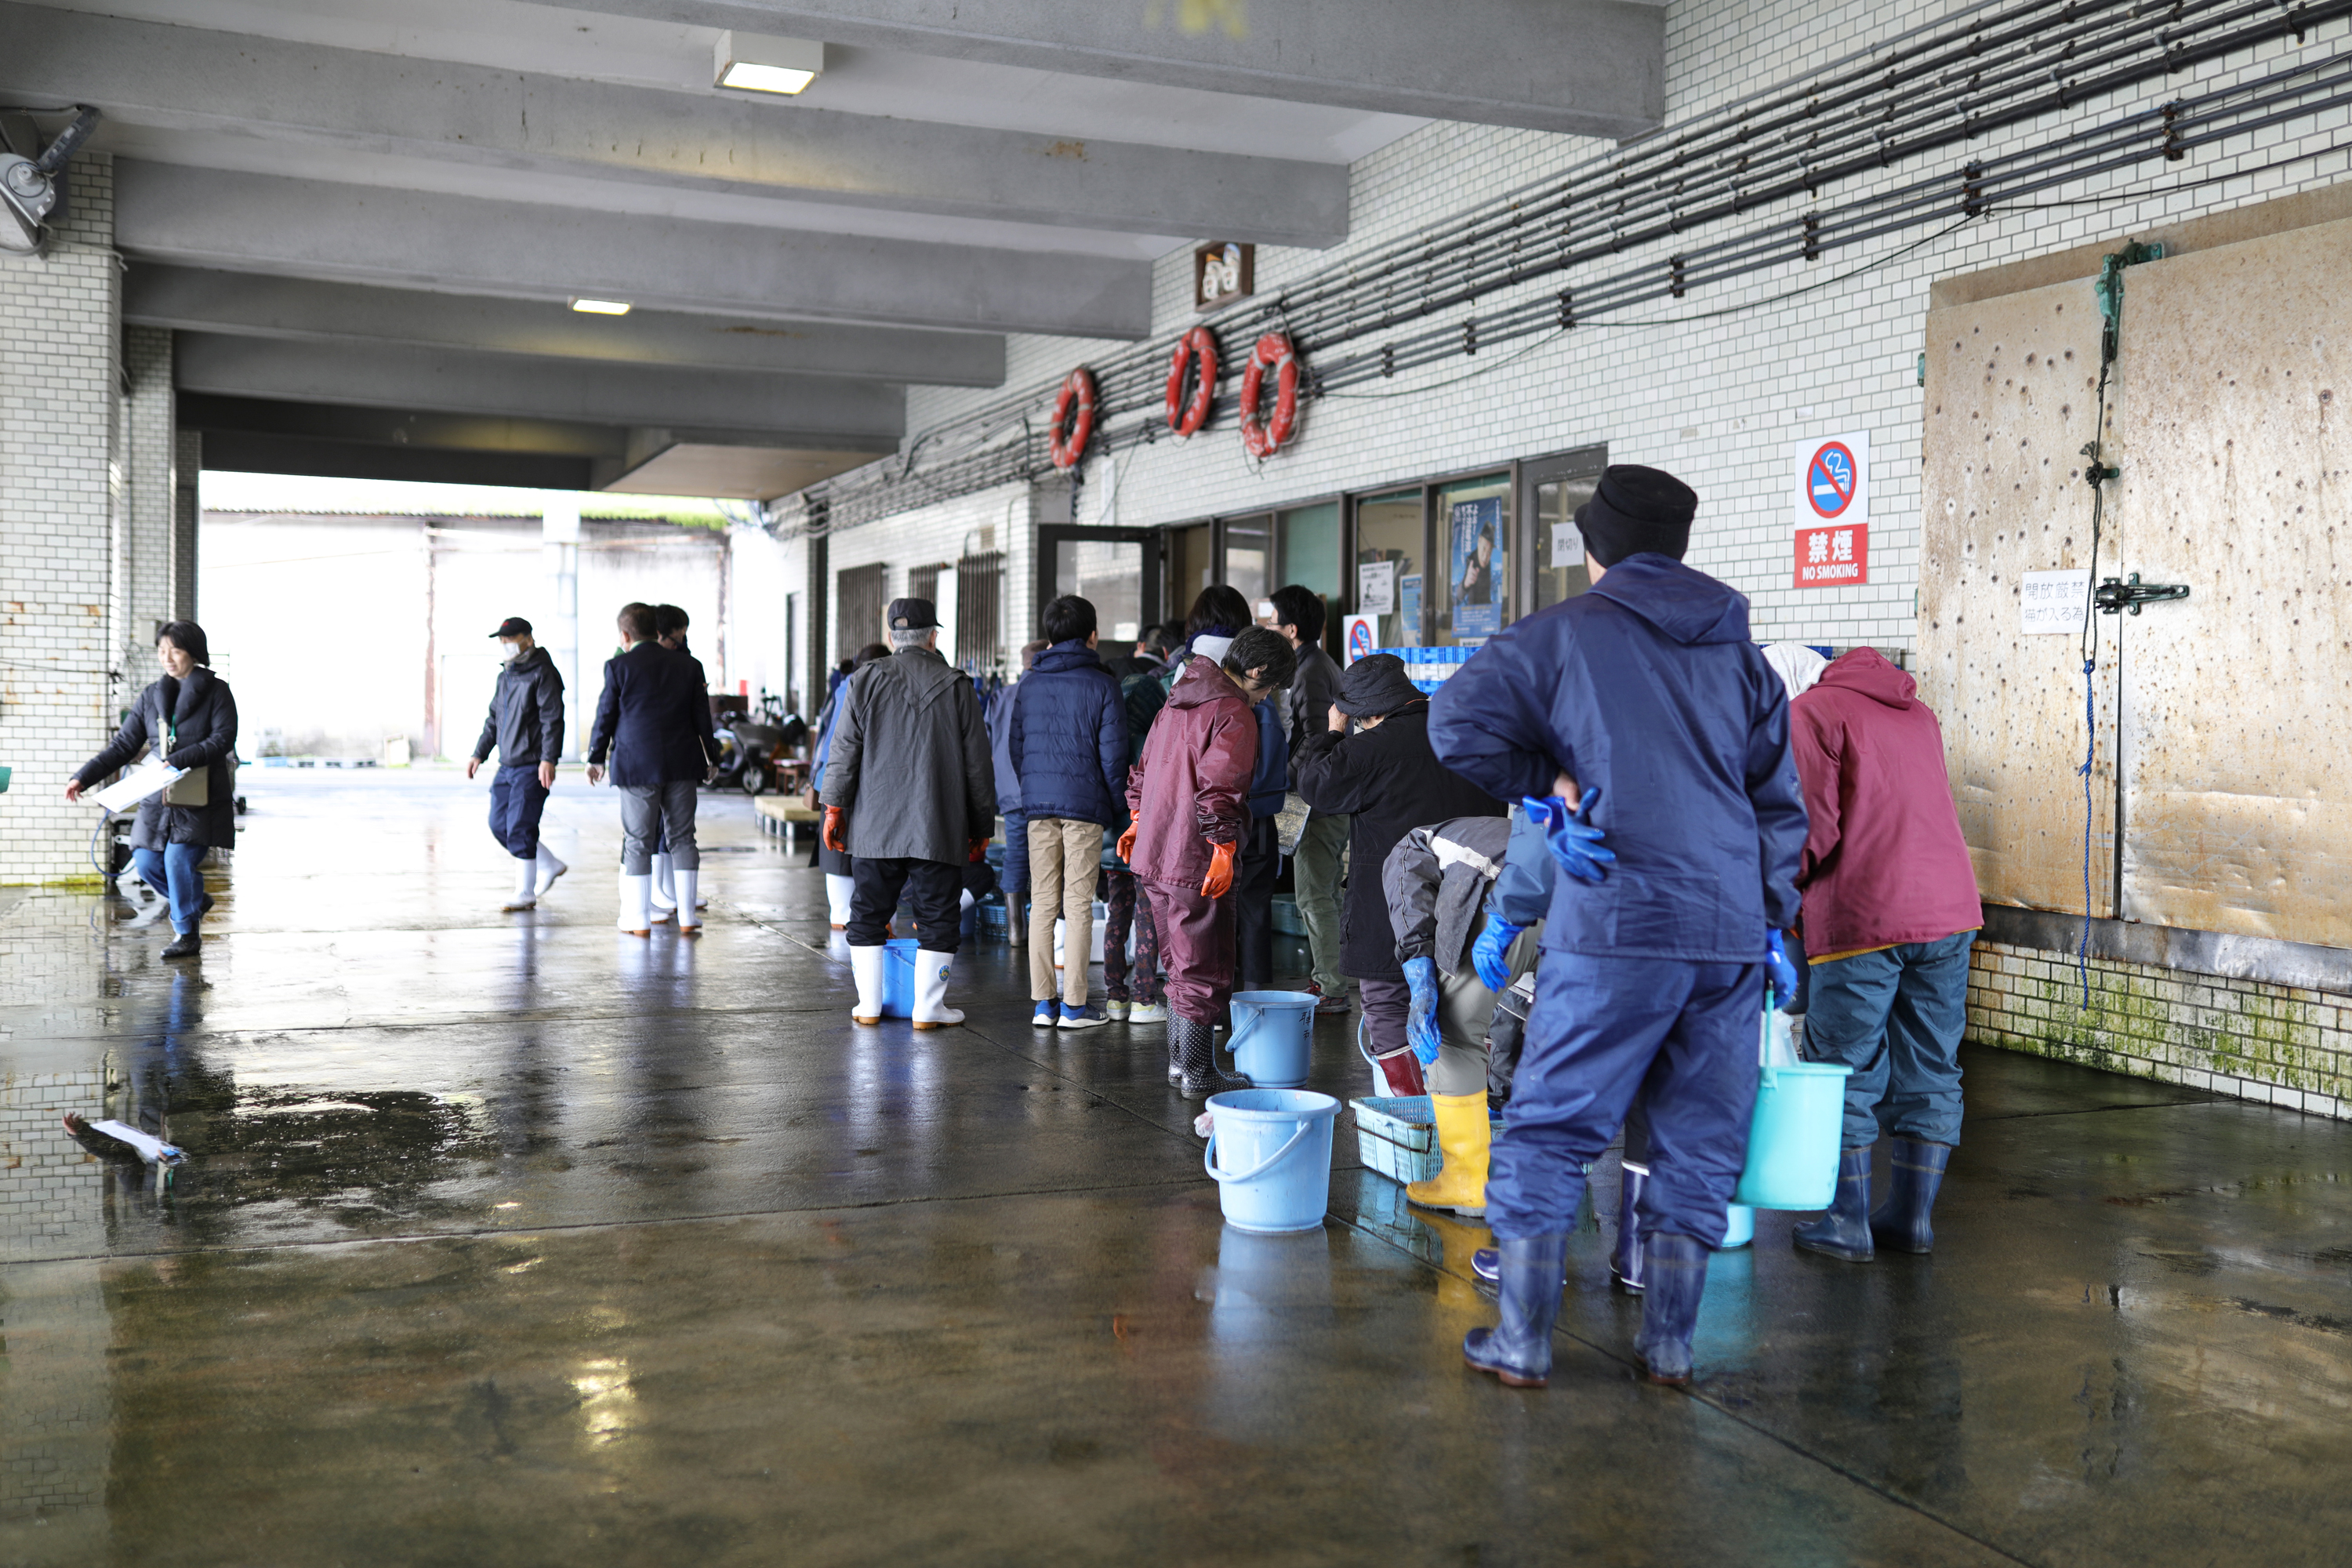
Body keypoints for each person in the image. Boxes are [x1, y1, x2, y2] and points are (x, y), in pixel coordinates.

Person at [1429, 463, 1807, 1388]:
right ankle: (1671, 1345)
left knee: (1553, 1128)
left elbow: (1455, 723)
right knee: (1697, 1137)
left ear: (1595, 549)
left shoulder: (1564, 633)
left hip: (1614, 924)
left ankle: (1522, 1339)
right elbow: (1776, 802)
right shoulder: (1738, 649)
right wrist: (1771, 920)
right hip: (1724, 933)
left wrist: (1547, 788)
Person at [1786, 646, 1982, 1262]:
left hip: (1864, 913)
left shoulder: (1811, 712)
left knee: (1842, 1064)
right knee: (1931, 1060)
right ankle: (1911, 1219)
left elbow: (1810, 830)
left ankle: (1846, 1223)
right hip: (1950, 910)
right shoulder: (1918, 712)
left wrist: (1780, 901)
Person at [1292, 654, 1502, 1098]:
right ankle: (1462, 1108)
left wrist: (1333, 730)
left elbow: (1316, 784)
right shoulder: (1467, 736)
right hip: (1472, 897)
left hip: (1395, 901)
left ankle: (1411, 1115)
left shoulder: (1371, 747)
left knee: (1388, 1002)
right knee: (1463, 1009)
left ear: (1363, 715)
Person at [1122, 625, 1295, 1096]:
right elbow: (1221, 789)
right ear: (1257, 671)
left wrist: (1137, 821)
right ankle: (1198, 1073)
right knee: (1202, 966)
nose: (1269, 696)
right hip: (1194, 858)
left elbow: (1143, 768)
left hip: (1153, 852)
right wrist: (1222, 848)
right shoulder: (1233, 711)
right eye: (1272, 685)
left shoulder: (1179, 698)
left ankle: (1181, 1066)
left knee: (1178, 965)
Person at [820, 597, 996, 1029]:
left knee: (867, 912)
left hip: (874, 826)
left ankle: (868, 1005)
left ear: (890, 637)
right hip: (937, 824)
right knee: (938, 914)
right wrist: (980, 825)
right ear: (933, 636)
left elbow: (842, 752)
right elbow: (978, 764)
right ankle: (928, 1009)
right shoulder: (957, 685)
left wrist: (833, 809)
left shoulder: (864, 680)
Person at [1381, 812, 1542, 1215]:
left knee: (1452, 1027)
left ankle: (1466, 1180)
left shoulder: (1412, 843)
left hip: (1510, 898)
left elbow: (1409, 902)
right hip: (1585, 907)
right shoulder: (1497, 832)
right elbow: (1519, 1005)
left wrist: (1422, 985)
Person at [67, 621, 238, 961]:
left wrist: (177, 760)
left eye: (175, 650)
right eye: (162, 651)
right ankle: (194, 901)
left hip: (197, 795)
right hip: (157, 796)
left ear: (193, 652)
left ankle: (186, 933)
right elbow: (123, 746)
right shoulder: (150, 696)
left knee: (178, 860)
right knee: (145, 863)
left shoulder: (217, 691)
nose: (168, 658)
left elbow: (223, 740)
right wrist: (83, 777)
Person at [1010, 597, 1130, 1029]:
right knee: (1078, 904)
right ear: (1092, 636)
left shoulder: (1029, 683)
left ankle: (1044, 1005)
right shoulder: (1102, 684)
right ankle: (1076, 1007)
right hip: (1085, 806)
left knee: (1042, 901)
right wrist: (1122, 812)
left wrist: (1034, 791)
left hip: (1038, 806)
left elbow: (1017, 748)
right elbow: (1115, 759)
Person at [586, 602, 711, 936]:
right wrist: (711, 758)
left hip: (637, 765)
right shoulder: (689, 665)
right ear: (657, 632)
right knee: (683, 838)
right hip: (683, 763)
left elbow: (605, 717)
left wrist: (596, 758)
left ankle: (638, 921)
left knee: (638, 840)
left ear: (625, 635)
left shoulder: (618, 667)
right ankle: (687, 917)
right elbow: (703, 718)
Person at [1270, 585, 1351, 1015]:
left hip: (1317, 799)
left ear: (1292, 629)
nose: (1268, 627)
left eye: (1273, 621)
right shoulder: (1317, 664)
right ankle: (1329, 977)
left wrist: (1284, 776)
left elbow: (1318, 736)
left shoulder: (1310, 670)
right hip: (1326, 794)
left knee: (1313, 894)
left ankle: (1331, 987)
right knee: (1324, 893)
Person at [466, 615, 568, 912]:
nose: (505, 645)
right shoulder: (506, 675)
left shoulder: (544, 673)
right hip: (507, 764)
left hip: (532, 764)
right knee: (499, 824)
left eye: (509, 639)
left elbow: (552, 720)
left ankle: (525, 892)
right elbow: (494, 719)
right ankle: (549, 864)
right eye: (502, 640)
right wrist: (478, 753)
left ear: (528, 639)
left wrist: (549, 758)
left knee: (521, 826)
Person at [810, 641, 891, 927]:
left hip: (831, 779)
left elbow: (824, 738)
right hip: (851, 780)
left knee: (838, 848)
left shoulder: (844, 686)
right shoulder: (863, 689)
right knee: (846, 847)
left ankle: (840, 915)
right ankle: (845, 916)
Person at [647, 604, 713, 924]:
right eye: (678, 634)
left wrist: (710, 755)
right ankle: (662, 893)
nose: (681, 639)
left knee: (674, 830)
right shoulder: (680, 664)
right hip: (660, 757)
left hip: (670, 757)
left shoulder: (686, 661)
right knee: (658, 829)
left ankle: (672, 895)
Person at [985, 640, 1051, 946]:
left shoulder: (1001, 695)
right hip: (1043, 787)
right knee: (1048, 858)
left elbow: (987, 742)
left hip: (1009, 789)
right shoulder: (1046, 690)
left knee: (1015, 855)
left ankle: (1015, 933)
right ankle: (1045, 935)